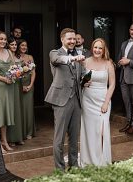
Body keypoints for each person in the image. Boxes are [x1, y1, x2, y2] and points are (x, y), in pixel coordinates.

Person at [46, 28, 85, 170]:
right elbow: (57, 60)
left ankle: (73, 165)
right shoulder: (55, 53)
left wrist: (86, 79)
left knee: (74, 137)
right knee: (59, 138)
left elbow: (83, 73)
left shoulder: (79, 54)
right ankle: (60, 169)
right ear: (62, 39)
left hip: (77, 99)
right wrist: (73, 58)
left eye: (74, 39)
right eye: (69, 39)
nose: (72, 41)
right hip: (61, 100)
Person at [79, 38, 116, 167]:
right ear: (92, 48)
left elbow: (112, 85)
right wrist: (83, 83)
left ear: (104, 50)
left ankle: (102, 159)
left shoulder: (108, 64)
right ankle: (88, 159)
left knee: (102, 130)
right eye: (95, 47)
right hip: (87, 100)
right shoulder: (85, 62)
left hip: (102, 100)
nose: (97, 50)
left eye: (100, 48)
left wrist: (106, 103)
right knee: (89, 130)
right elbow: (79, 81)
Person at [6, 38, 25, 145]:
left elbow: (21, 71)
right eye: (11, 44)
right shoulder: (6, 56)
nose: (14, 46)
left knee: (18, 110)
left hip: (18, 84)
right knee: (11, 110)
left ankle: (18, 137)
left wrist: (23, 71)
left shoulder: (18, 57)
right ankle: (10, 138)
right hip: (9, 84)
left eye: (15, 45)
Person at [18, 40, 37, 140]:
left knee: (28, 109)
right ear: (18, 46)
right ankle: (20, 133)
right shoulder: (15, 56)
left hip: (29, 85)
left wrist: (30, 85)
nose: (24, 47)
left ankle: (29, 132)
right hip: (18, 85)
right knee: (19, 109)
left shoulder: (30, 57)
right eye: (22, 45)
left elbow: (33, 72)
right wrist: (20, 86)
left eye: (25, 45)